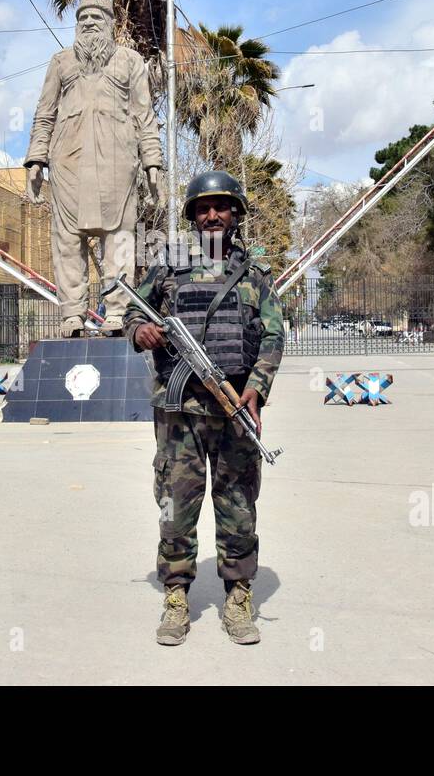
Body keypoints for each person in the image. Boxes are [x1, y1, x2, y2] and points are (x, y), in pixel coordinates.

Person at [123, 171, 285, 646]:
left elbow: (274, 335)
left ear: (236, 213)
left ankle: (238, 596)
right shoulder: (168, 266)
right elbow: (133, 312)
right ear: (192, 215)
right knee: (176, 506)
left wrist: (255, 389)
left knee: (238, 507)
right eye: (202, 208)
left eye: (221, 206)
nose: (211, 215)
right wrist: (141, 332)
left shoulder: (255, 273)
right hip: (179, 413)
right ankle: (176, 595)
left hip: (234, 406)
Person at [24, 0, 162, 336]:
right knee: (67, 240)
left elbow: (143, 114)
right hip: (68, 165)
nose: (88, 23)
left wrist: (152, 161)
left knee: (118, 240)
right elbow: (45, 113)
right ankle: (72, 314)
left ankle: (117, 313)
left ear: (111, 24)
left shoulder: (130, 61)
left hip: (118, 165)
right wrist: (36, 159)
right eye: (82, 18)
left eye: (96, 17)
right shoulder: (60, 62)